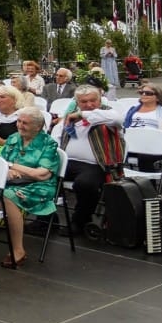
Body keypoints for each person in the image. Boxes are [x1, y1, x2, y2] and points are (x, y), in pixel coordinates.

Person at [0, 106, 61, 269]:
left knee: (8, 195)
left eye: (25, 123)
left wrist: (12, 166)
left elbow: (41, 174)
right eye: (19, 121)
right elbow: (2, 162)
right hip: (10, 180)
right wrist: (8, 170)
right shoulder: (13, 138)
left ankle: (18, 250)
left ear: (38, 127)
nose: (20, 125)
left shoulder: (48, 144)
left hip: (38, 186)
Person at [56, 84, 122, 235]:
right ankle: (47, 219)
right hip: (67, 162)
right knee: (42, 175)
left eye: (93, 100)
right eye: (84, 102)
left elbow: (117, 119)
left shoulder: (108, 114)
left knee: (85, 184)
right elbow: (56, 137)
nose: (89, 105)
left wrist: (82, 115)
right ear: (77, 102)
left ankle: (80, 221)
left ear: (100, 100)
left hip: (97, 164)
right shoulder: (70, 115)